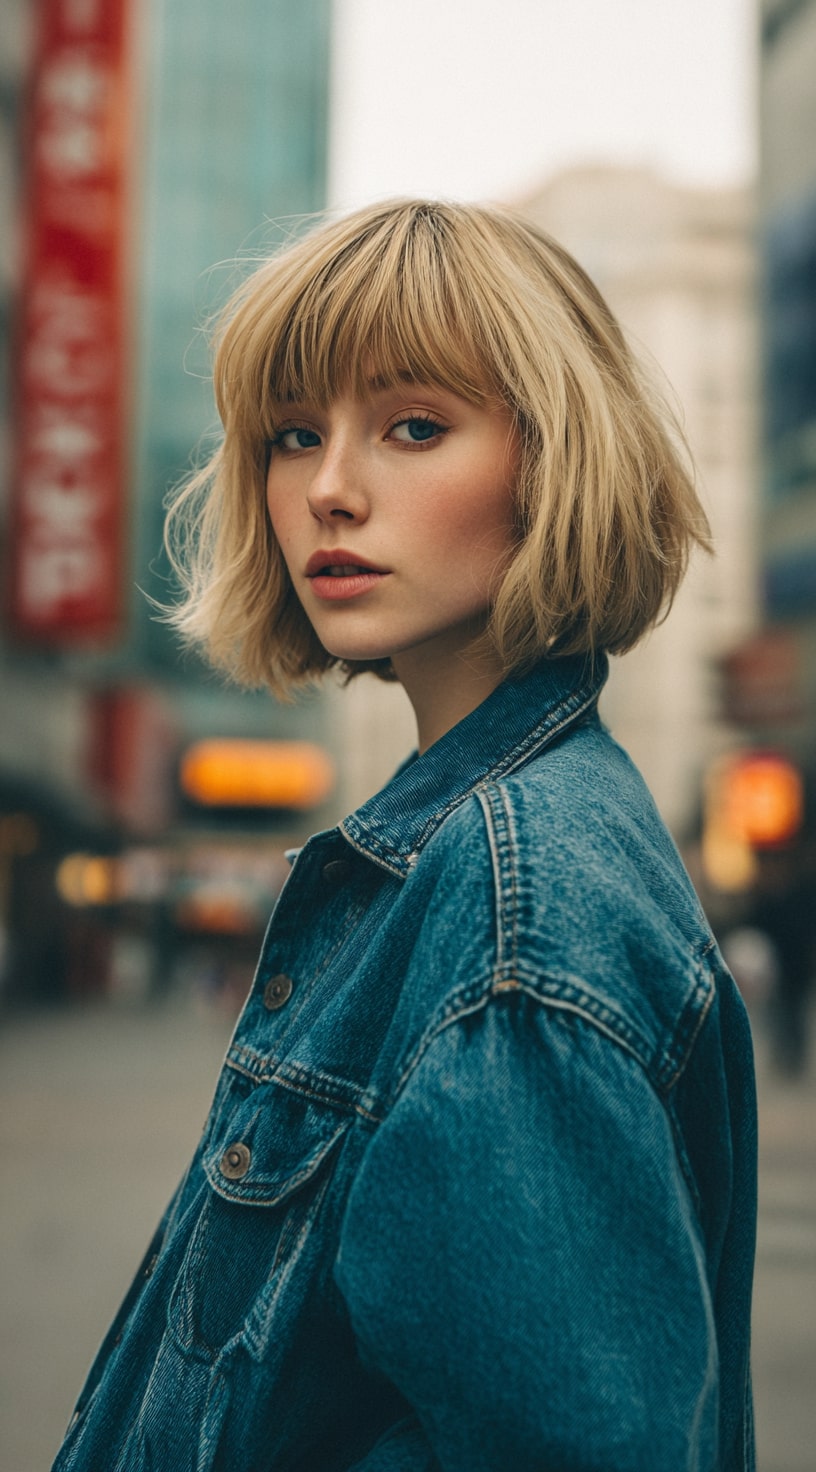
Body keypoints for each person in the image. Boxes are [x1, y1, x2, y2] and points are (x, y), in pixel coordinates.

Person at [53, 200, 757, 1472]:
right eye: (294, 434)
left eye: (415, 426)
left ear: (554, 459)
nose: (328, 488)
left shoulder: (513, 898)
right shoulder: (493, 841)